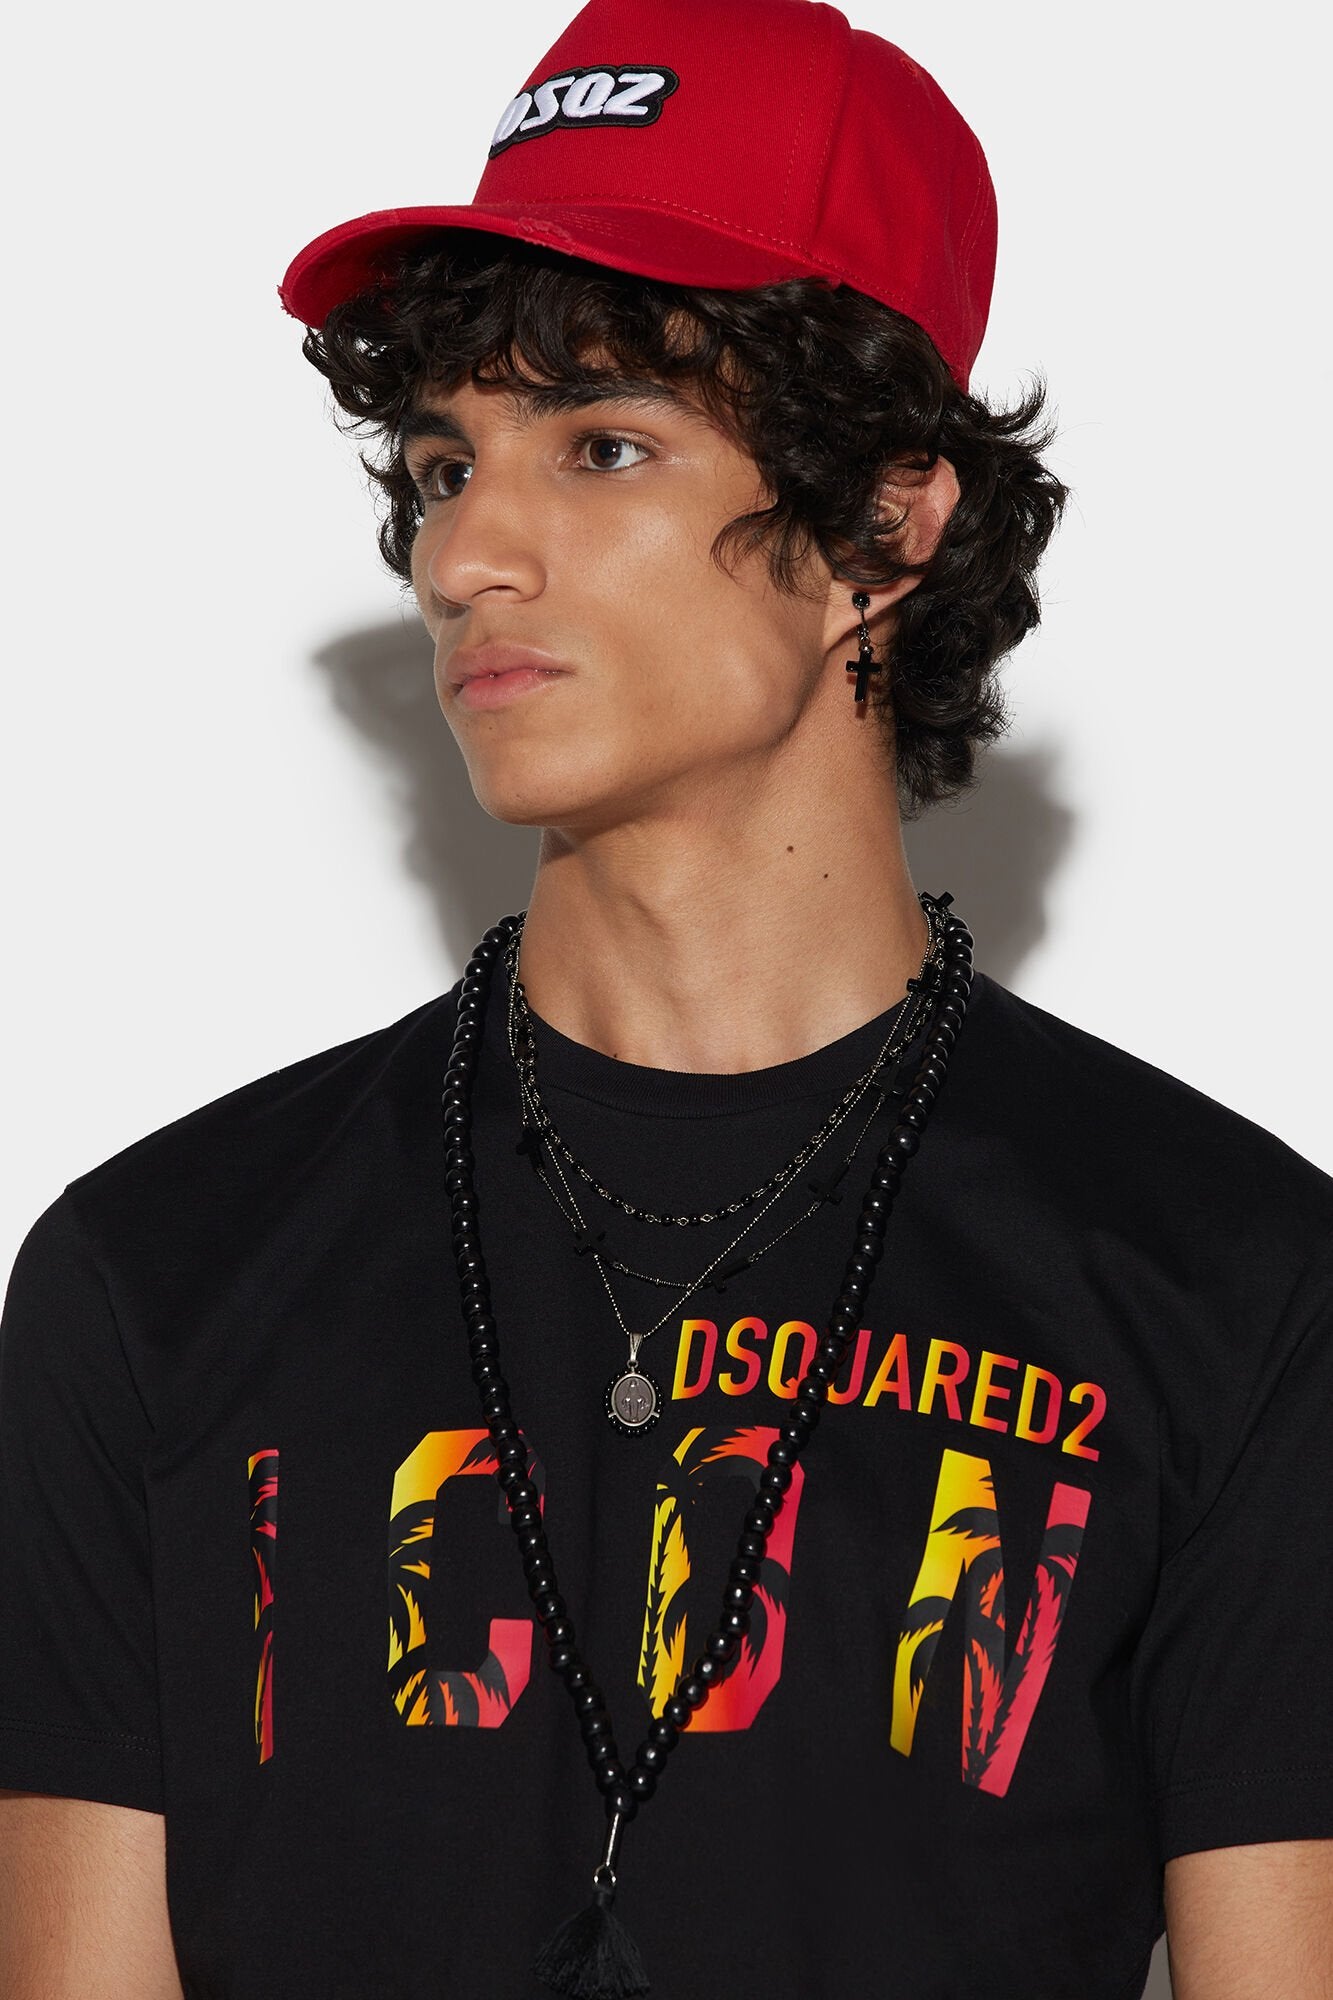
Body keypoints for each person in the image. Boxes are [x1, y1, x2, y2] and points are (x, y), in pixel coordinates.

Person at [1, 0, 1330, 1994]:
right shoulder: (161, 1269)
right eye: (442, 461)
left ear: (884, 522)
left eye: (602, 444)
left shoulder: (1226, 1276)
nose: (466, 553)